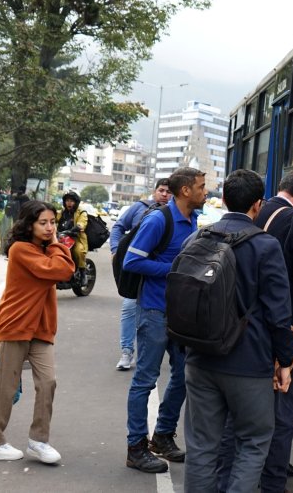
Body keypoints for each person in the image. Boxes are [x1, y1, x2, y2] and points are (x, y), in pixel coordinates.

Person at [181, 168, 293, 493]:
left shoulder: (197, 238)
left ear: (225, 199)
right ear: (257, 205)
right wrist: (284, 361)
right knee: (254, 441)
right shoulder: (265, 246)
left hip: (200, 359)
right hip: (249, 364)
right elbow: (278, 312)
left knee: (202, 445)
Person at [237, 170, 293, 491]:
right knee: (284, 411)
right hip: (289, 330)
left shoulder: (256, 211)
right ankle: (274, 478)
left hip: (249, 325)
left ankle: (258, 465)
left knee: (256, 407)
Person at [123, 167, 207, 474]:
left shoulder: (194, 220)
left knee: (185, 374)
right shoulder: (159, 220)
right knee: (145, 379)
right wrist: (175, 269)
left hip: (181, 313)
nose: (205, 191)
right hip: (155, 310)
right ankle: (136, 448)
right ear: (185, 191)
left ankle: (162, 437)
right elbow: (133, 260)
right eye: (201, 186)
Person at [0, 200, 75, 463]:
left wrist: (53, 242)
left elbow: (67, 270)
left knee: (48, 383)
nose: (48, 227)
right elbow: (59, 269)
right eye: (42, 223)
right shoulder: (21, 249)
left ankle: (38, 441)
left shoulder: (48, 249)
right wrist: (56, 243)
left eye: (52, 222)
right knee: (6, 388)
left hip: (41, 328)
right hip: (15, 325)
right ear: (29, 224)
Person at [108, 178, 172, 371]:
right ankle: (127, 351)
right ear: (154, 191)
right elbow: (118, 227)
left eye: (168, 191)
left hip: (160, 278)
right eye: (161, 190)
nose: (164, 194)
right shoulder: (139, 208)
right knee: (129, 308)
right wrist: (115, 250)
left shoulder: (177, 215)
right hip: (136, 271)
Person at [56, 191, 88, 270]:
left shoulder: (81, 212)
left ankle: (82, 271)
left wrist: (77, 227)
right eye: (67, 201)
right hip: (61, 237)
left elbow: (82, 222)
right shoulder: (62, 212)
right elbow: (53, 219)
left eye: (71, 201)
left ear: (76, 202)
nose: (69, 203)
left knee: (79, 251)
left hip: (76, 238)